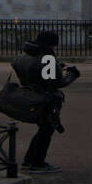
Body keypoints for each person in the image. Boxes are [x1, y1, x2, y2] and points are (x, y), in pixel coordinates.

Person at [11, 30, 80, 174]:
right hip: (45, 98)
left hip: (30, 94)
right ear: (52, 44)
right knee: (46, 129)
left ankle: (29, 160)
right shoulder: (46, 58)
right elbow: (56, 83)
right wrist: (73, 74)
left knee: (43, 128)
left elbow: (26, 68)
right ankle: (38, 163)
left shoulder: (26, 54)